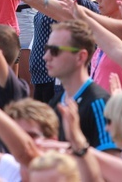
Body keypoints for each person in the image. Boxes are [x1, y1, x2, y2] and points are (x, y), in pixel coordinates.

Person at [45, 20, 114, 151]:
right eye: (46, 49)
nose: (46, 57)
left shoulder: (99, 102)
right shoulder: (57, 101)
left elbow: (112, 160)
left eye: (54, 50)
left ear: (80, 57)